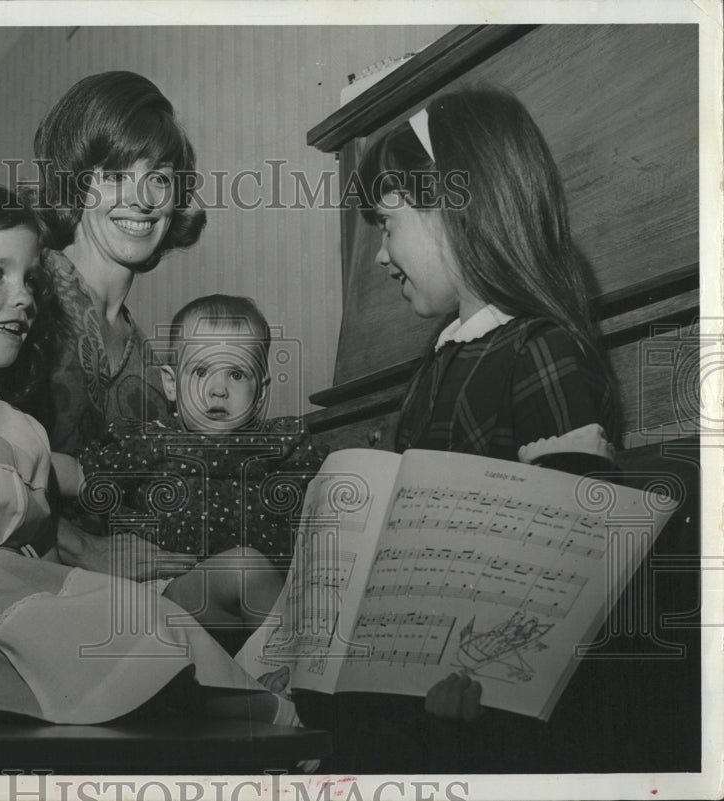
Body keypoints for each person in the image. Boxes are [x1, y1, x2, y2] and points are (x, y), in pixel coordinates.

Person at [0, 178, 296, 728]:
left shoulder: (21, 428)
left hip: (10, 616)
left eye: (30, 279)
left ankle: (270, 713)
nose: (24, 297)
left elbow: (97, 482)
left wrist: (212, 439)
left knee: (160, 616)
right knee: (140, 645)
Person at [296, 87, 620, 772]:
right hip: (412, 667)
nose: (381, 257)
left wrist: (493, 668)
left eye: (387, 225)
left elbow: (567, 548)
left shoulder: (539, 349)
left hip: (485, 688)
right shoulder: (438, 362)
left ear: (453, 207)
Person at [26, 70, 209, 580]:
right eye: (114, 175)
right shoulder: (24, 298)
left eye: (160, 178)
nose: (143, 199)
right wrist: (82, 549)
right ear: (75, 184)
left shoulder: (150, 362)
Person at [53, 295, 327, 632]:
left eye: (237, 374)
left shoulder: (280, 447)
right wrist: (17, 458)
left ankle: (280, 669)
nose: (217, 390)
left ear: (261, 392)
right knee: (245, 569)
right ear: (170, 383)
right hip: (168, 591)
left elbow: (327, 501)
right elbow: (78, 475)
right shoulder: (151, 441)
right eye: (200, 371)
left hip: (269, 595)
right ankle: (284, 671)